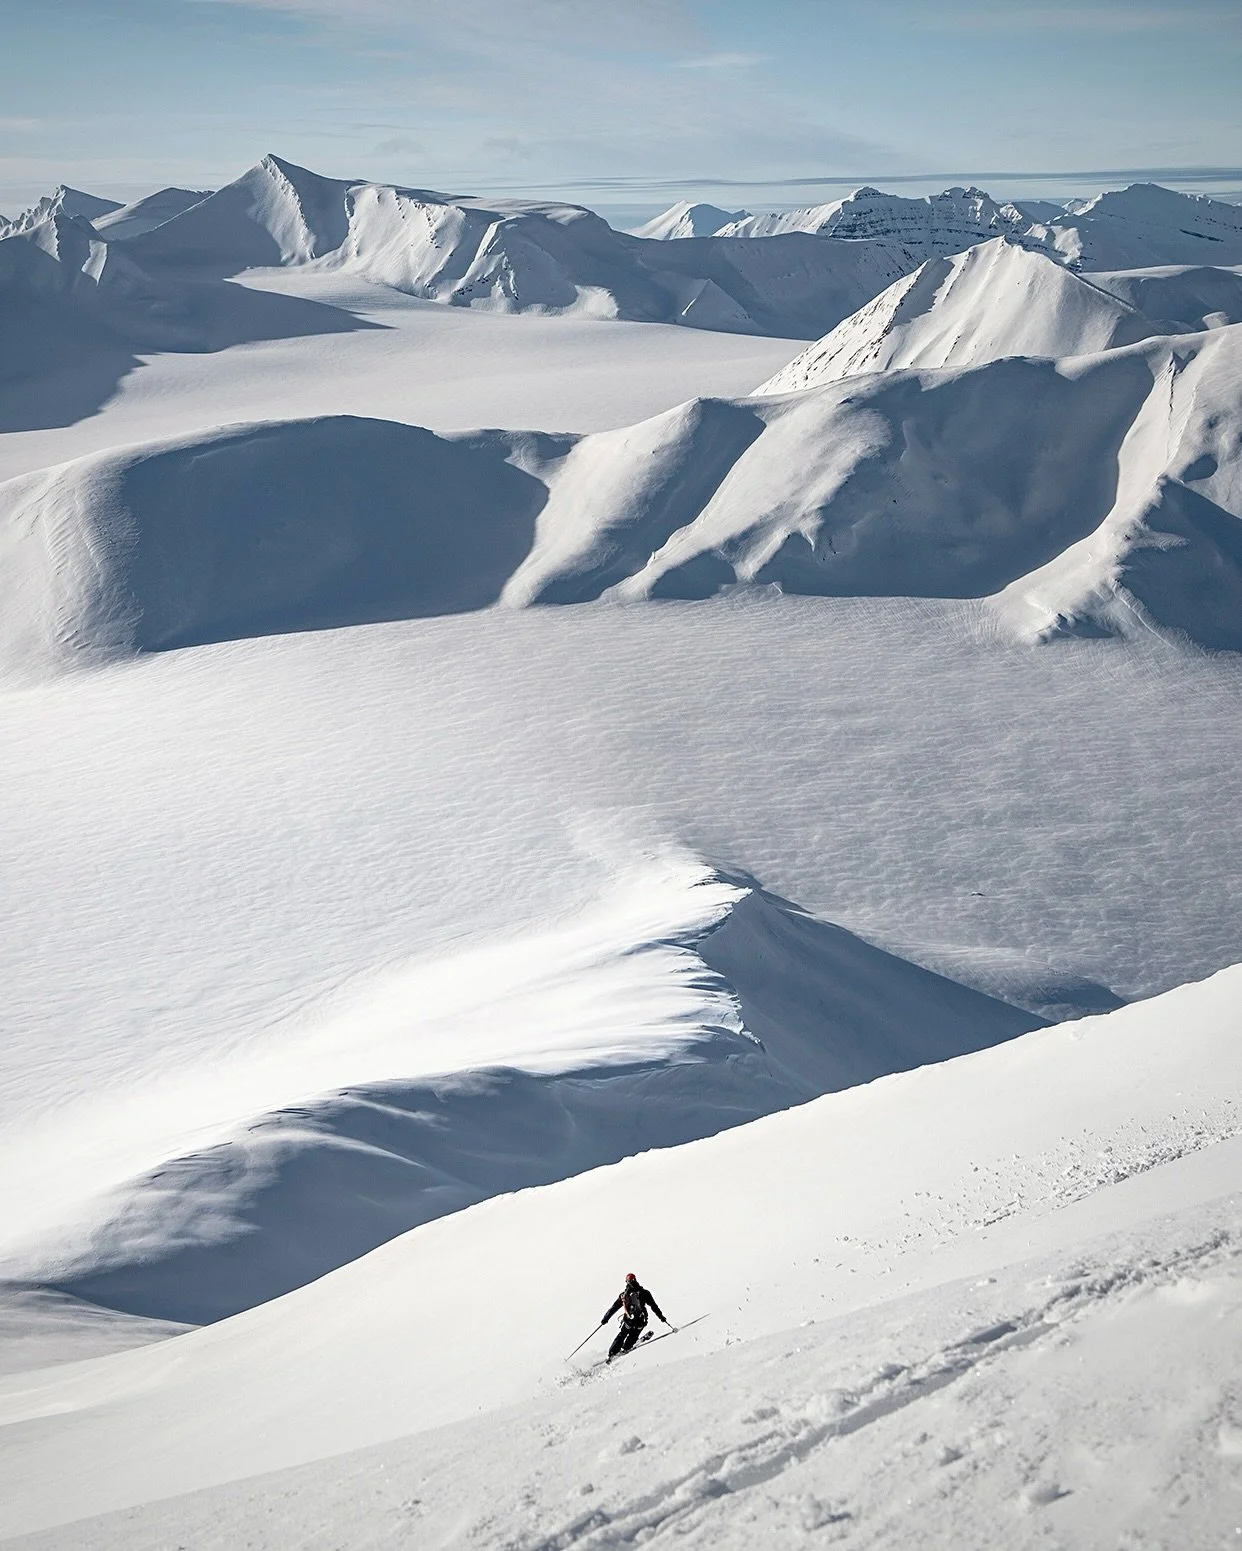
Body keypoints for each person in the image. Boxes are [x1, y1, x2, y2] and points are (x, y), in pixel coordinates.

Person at [601, 1272, 670, 1361]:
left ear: (626, 1282)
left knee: (622, 1335)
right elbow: (654, 1306)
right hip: (640, 1321)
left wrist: (605, 1318)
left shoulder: (623, 1295)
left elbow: (614, 1308)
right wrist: (661, 1317)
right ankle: (626, 1347)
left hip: (628, 1321)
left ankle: (612, 1353)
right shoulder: (644, 1293)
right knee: (633, 1335)